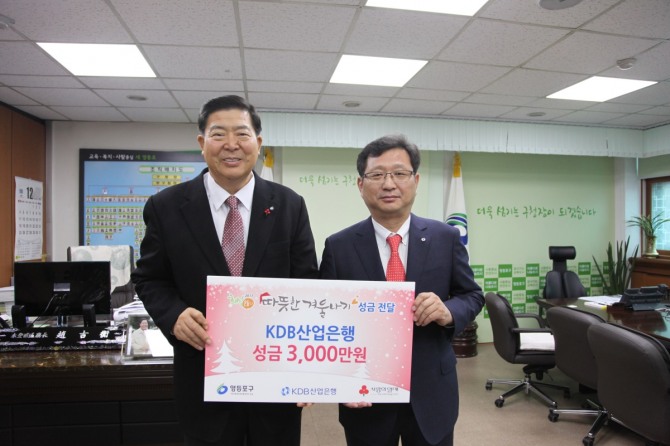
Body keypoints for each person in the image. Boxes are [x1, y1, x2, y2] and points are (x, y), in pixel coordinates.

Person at [131, 95, 319, 446]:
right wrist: (174, 314)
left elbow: (307, 284)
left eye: (242, 134)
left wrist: (304, 371)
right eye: (218, 134)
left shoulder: (289, 205)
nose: (231, 144)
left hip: (274, 377)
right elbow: (149, 277)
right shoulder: (166, 206)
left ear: (257, 143)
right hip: (203, 375)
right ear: (202, 143)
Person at [319, 134, 484, 446]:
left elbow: (472, 295)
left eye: (399, 173)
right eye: (377, 175)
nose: (389, 184)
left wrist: (448, 311)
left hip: (431, 391)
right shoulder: (339, 246)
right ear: (360, 184)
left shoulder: (446, 237)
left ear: (416, 181)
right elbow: (326, 320)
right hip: (365, 393)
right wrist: (340, 381)